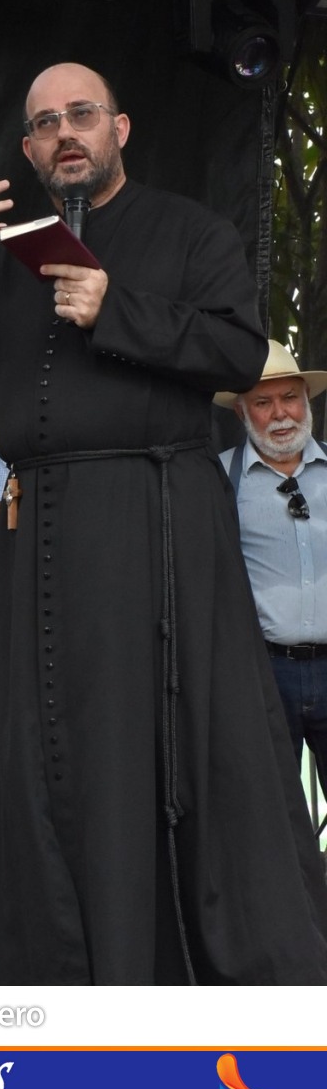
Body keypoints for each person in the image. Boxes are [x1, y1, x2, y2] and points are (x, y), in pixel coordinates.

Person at [0, 61, 327, 985]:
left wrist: (117, 309)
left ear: (120, 129)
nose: (66, 132)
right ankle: (55, 964)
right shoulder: (8, 261)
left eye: (83, 115)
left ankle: (168, 962)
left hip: (156, 525)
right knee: (40, 755)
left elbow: (236, 349)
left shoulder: (190, 231)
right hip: (35, 538)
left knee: (154, 748)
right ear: (27, 149)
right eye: (46, 122)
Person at [217, 339, 327, 808]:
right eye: (263, 402)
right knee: (270, 818)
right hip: (262, 672)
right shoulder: (218, 478)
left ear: (307, 402)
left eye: (290, 398)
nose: (280, 414)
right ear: (242, 414)